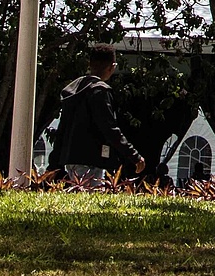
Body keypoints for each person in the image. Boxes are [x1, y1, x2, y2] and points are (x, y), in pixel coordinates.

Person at [53, 44, 146, 183]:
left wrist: (53, 162)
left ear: (89, 64)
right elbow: (109, 128)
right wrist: (134, 156)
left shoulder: (74, 89)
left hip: (71, 159)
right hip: (91, 159)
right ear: (112, 66)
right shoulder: (100, 91)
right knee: (90, 199)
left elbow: (62, 129)